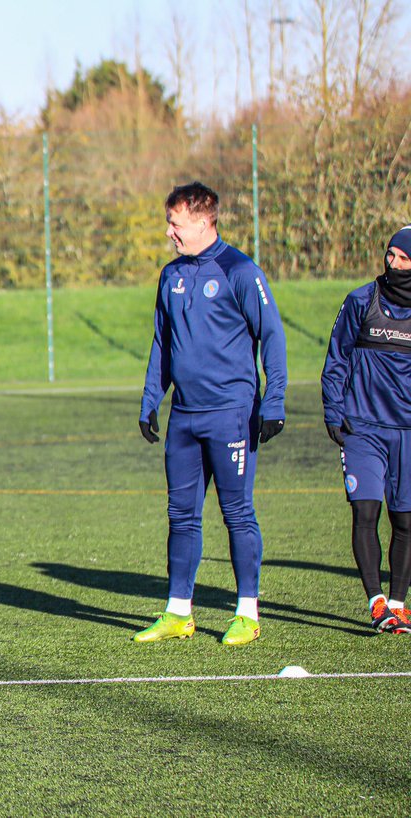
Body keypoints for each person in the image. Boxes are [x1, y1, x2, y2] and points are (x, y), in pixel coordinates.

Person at [135, 182, 287, 646]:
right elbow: (163, 341)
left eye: (175, 223)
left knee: (237, 513)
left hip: (231, 414)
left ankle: (247, 612)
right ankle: (178, 612)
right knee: (181, 515)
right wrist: (149, 400)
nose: (169, 232)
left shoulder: (240, 271)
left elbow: (273, 336)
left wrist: (274, 400)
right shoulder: (170, 275)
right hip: (184, 415)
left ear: (203, 221)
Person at [321, 226, 411, 634]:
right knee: (366, 510)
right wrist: (333, 410)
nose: (392, 263)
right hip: (363, 428)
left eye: (403, 258)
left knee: (406, 521)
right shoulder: (361, 300)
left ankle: (398, 604)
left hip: (408, 432)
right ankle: (377, 603)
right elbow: (337, 356)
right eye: (389, 255)